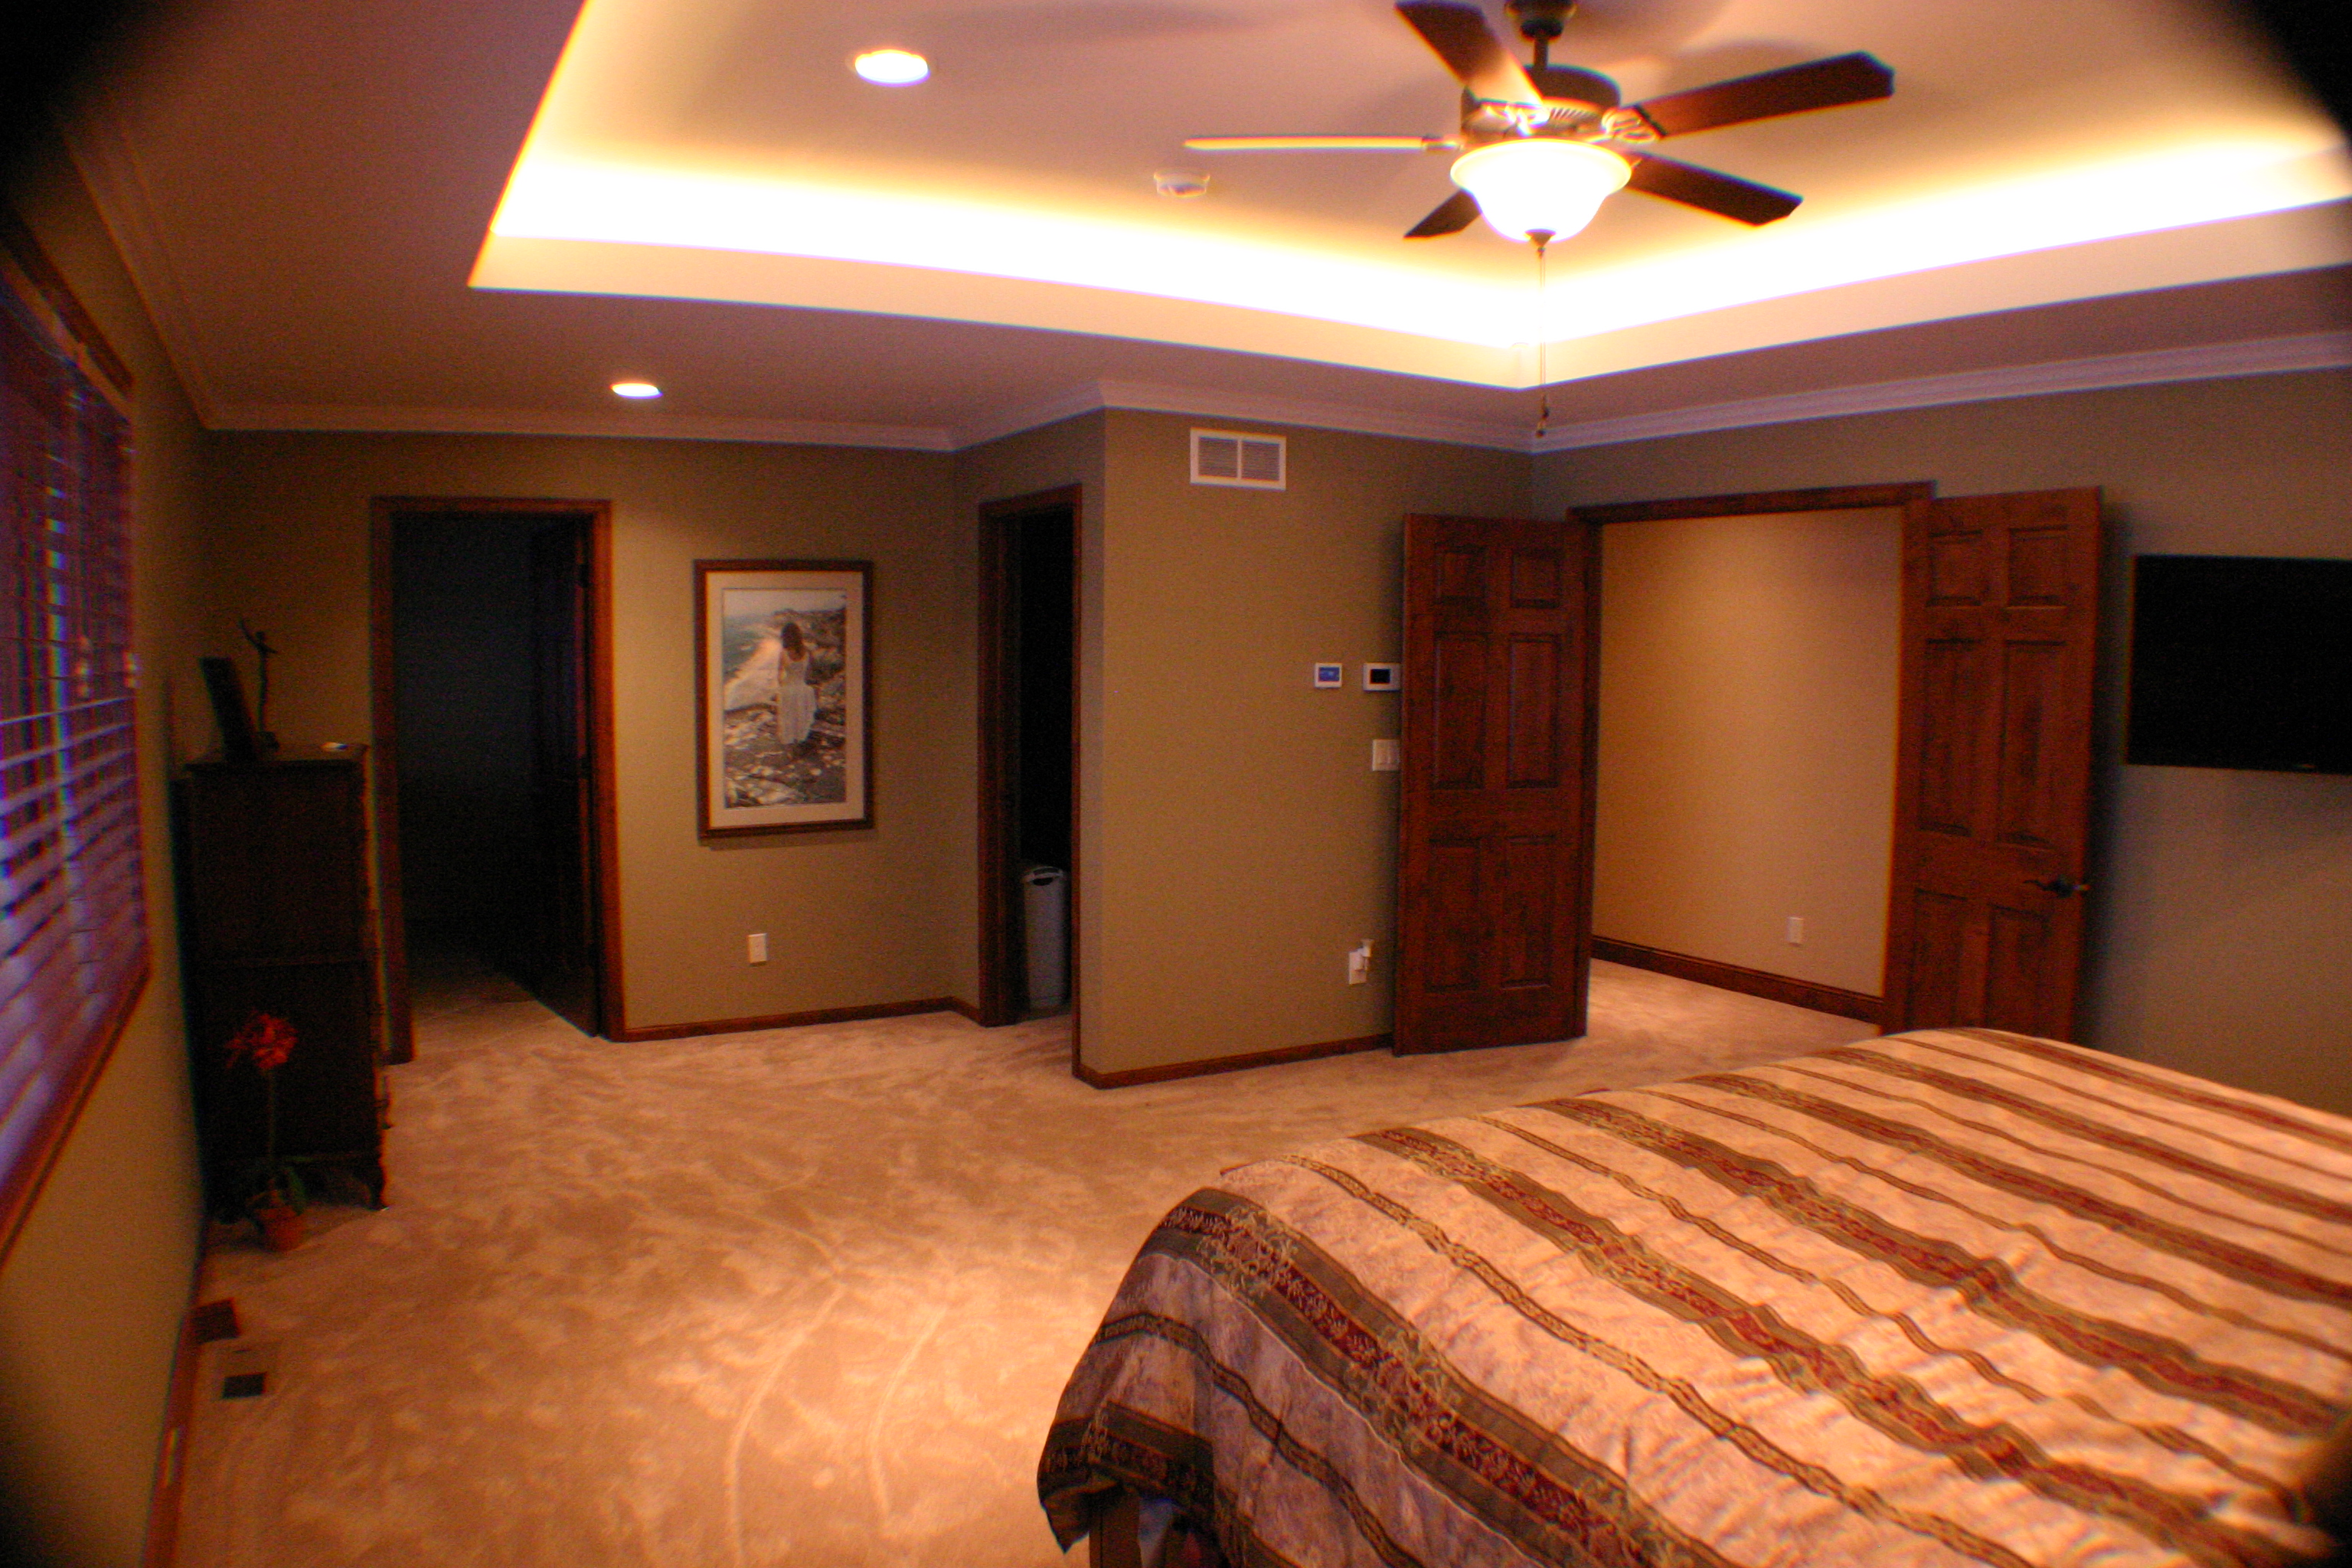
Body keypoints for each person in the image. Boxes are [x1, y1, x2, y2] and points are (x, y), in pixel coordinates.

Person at [773, 618, 818, 749]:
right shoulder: (807, 652)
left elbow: (779, 677)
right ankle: (799, 742)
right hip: (803, 690)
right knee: (801, 719)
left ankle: (790, 747)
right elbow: (809, 674)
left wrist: (782, 688)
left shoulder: (784, 653)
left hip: (788, 690)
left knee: (788, 719)